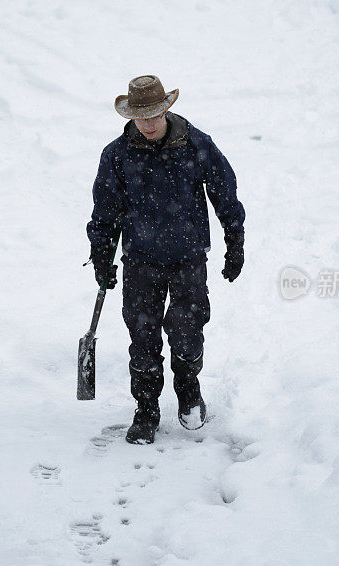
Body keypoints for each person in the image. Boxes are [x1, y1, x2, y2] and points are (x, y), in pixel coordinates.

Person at [86, 75, 246, 445]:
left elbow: (225, 192)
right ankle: (146, 409)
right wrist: (100, 253)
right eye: (142, 116)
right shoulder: (117, 154)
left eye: (155, 114)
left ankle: (188, 392)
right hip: (140, 261)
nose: (149, 123)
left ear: (166, 109)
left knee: (188, 333)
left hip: (188, 258)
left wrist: (234, 240)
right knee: (142, 338)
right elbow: (106, 209)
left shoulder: (196, 145)